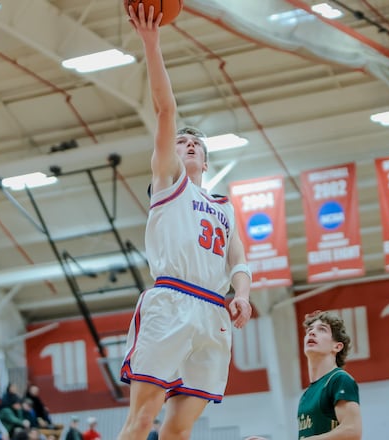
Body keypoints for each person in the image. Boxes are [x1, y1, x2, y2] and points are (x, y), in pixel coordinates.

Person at [116, 6, 252, 440]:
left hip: (213, 312)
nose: (188, 144)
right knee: (142, 419)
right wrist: (151, 44)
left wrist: (243, 296)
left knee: (178, 430)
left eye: (196, 143)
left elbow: (239, 261)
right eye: (182, 141)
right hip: (171, 302)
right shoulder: (168, 180)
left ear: (207, 160)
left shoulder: (224, 207)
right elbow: (165, 109)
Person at [297, 310, 361, 439]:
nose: (312, 332)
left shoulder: (339, 379)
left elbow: (352, 431)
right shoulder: (307, 394)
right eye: (310, 329)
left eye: (322, 329)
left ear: (337, 347)